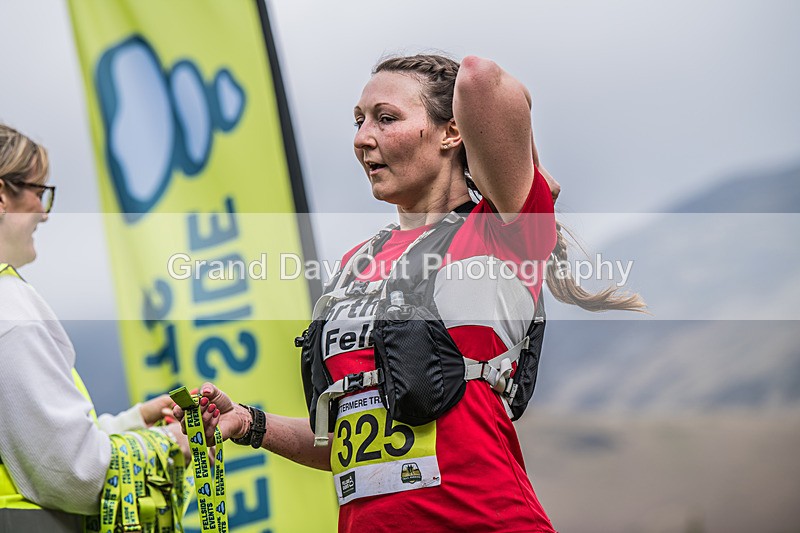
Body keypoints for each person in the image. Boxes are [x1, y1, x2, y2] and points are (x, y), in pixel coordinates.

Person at [176, 54, 645, 532]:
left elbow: (481, 76)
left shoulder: (500, 233)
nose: (362, 138)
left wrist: (528, 166)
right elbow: (348, 442)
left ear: (451, 132)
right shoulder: (355, 264)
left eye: (386, 118)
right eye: (359, 121)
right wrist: (250, 423)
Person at [0, 124, 190, 532]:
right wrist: (171, 445)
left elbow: (33, 448)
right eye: (38, 191)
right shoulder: (10, 311)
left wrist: (132, 422)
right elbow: (74, 473)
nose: (44, 212)